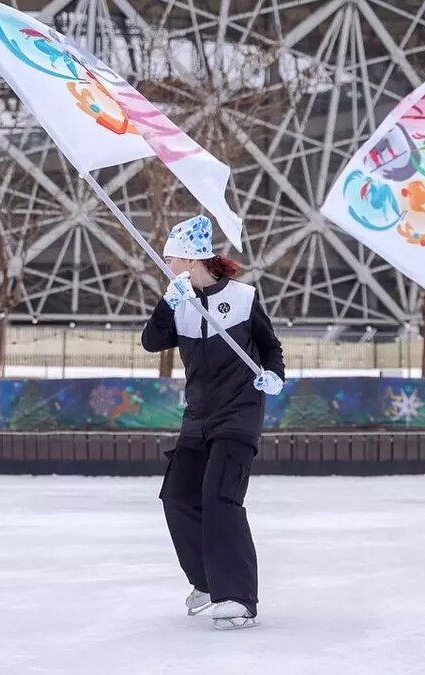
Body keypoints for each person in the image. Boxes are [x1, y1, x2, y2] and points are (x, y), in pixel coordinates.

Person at [141, 215, 286, 629]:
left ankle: (239, 598)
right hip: (198, 419)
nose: (168, 268)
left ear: (190, 259)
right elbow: (152, 342)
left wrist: (274, 376)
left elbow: (270, 347)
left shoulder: (242, 298)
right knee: (177, 496)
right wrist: (168, 304)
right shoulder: (180, 301)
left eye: (172, 260)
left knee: (220, 498)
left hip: (238, 415)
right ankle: (205, 582)